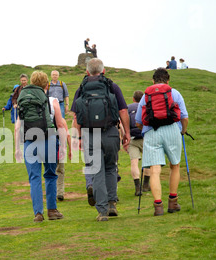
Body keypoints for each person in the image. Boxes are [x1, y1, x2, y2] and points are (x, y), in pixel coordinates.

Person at [71, 58, 131, 221]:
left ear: (87, 71)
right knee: (111, 168)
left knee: (96, 171)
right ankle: (112, 204)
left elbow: (76, 117)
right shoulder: (112, 86)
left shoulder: (82, 88)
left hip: (90, 134)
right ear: (103, 70)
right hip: (111, 132)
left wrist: (80, 136)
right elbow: (123, 111)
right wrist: (126, 133)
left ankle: (102, 211)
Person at [14, 71, 68, 222]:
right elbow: (60, 124)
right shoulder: (53, 101)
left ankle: (38, 213)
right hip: (49, 138)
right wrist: (63, 146)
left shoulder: (25, 99)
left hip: (29, 140)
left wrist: (18, 147)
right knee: (50, 175)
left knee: (34, 178)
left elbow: (18, 126)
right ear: (46, 84)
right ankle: (52, 210)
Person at [135, 68, 189, 216]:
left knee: (154, 170)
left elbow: (139, 121)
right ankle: (173, 201)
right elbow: (184, 117)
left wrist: (144, 129)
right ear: (168, 80)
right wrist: (182, 131)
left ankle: (158, 206)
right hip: (172, 130)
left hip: (152, 131)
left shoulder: (146, 96)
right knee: (175, 165)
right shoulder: (174, 93)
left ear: (153, 81)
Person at [127, 90, 150, 196]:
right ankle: (146, 185)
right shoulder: (146, 106)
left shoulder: (128, 108)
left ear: (133, 98)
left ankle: (137, 187)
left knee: (134, 162)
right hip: (146, 137)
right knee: (147, 162)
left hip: (132, 138)